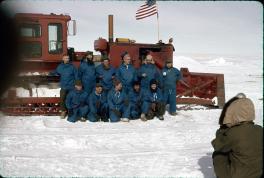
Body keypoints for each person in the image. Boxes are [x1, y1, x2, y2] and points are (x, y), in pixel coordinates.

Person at [211, 93, 263, 178]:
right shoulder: (260, 129)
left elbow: (217, 145)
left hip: (240, 175)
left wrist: (222, 131)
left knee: (219, 154)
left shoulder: (233, 133)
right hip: (258, 173)